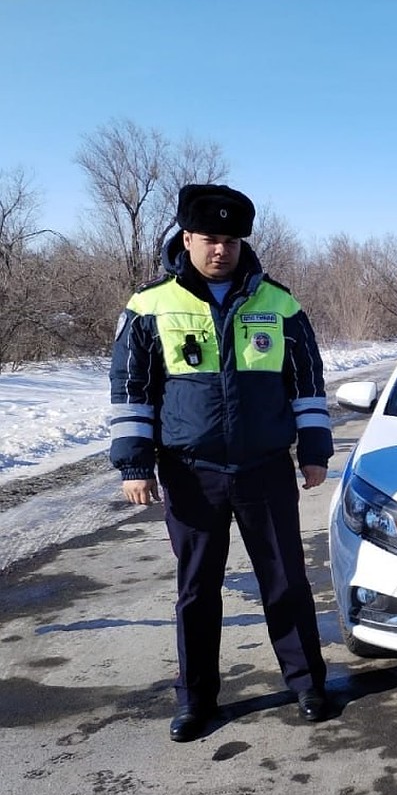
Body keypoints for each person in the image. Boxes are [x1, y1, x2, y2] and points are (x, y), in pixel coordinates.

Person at [109, 184, 334, 742]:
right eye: (210, 239)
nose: (220, 250)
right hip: (190, 472)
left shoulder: (279, 304)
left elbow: (306, 384)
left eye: (231, 240)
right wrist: (135, 464)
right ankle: (196, 701)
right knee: (196, 591)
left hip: (263, 470)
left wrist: (313, 451)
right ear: (186, 238)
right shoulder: (149, 306)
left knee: (286, 582)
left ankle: (307, 683)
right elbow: (131, 389)